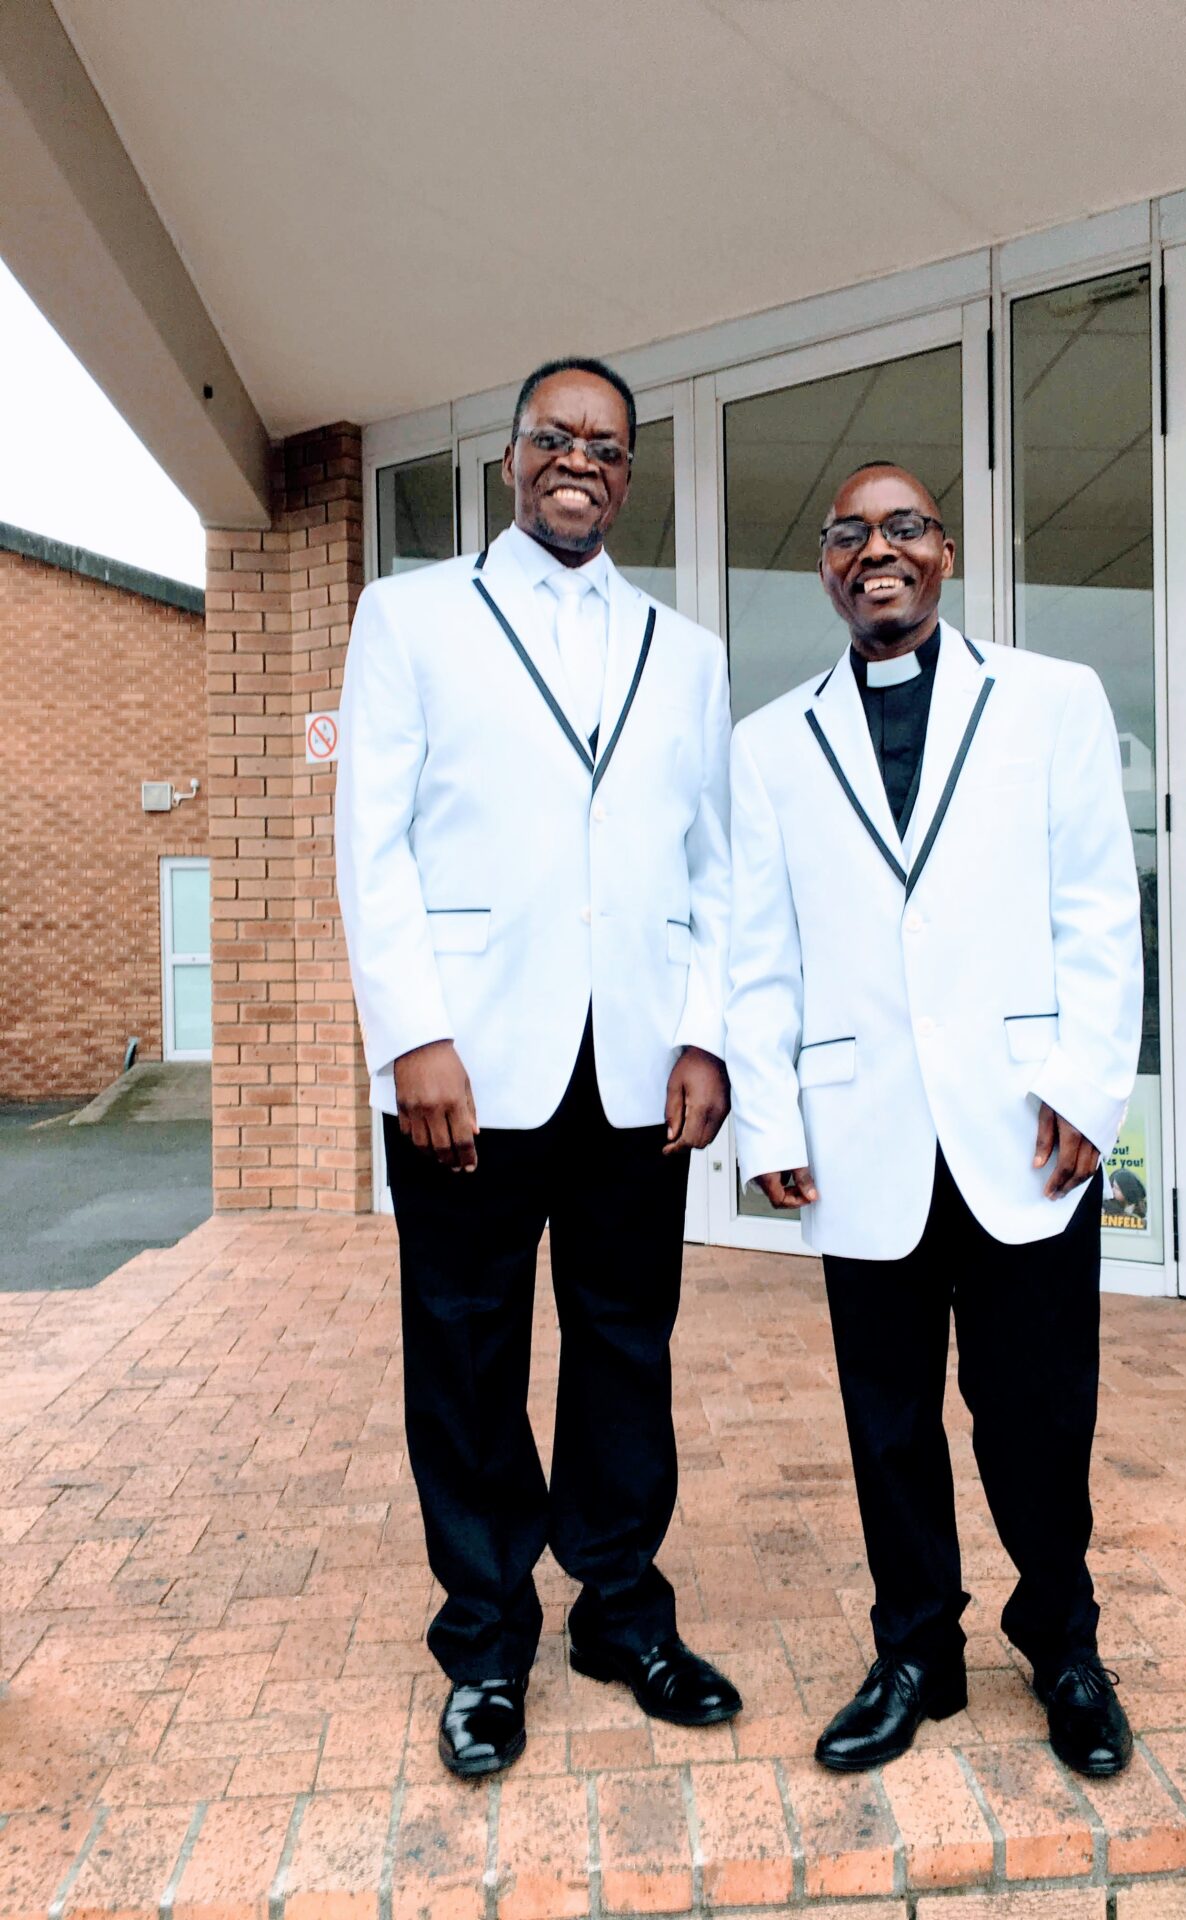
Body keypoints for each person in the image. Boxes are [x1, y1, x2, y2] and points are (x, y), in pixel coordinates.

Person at [336, 357, 740, 1779]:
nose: (583, 461)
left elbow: (716, 863)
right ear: (510, 457)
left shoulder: (683, 653)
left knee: (628, 1345)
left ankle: (620, 1612)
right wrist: (412, 1035)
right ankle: (487, 1637)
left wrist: (706, 1029)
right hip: (469, 1063)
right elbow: (368, 844)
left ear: (630, 475)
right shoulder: (411, 616)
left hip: (635, 1064)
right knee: (465, 1351)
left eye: (609, 447)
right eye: (557, 438)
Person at [724, 462, 1143, 1777]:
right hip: (861, 1131)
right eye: (848, 535)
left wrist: (1089, 1087)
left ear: (945, 554)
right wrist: (771, 1119)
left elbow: (1096, 908)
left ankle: (1062, 1641)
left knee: (1038, 1411)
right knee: (887, 1415)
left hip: (1026, 1125)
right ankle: (917, 1649)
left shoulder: (1053, 702)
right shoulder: (766, 745)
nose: (875, 552)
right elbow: (758, 949)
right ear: (829, 574)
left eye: (902, 528)